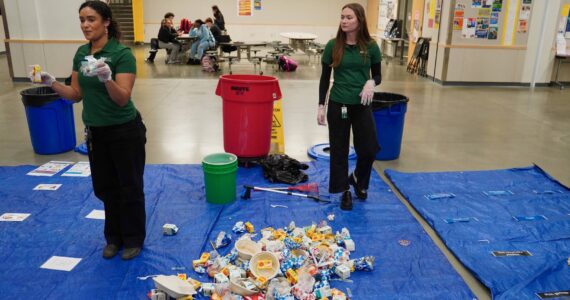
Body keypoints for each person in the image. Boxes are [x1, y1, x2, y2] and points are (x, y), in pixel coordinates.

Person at [34, 1, 147, 260]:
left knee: (129, 187)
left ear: (106, 22)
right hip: (97, 133)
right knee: (106, 188)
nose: (85, 25)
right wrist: (51, 83)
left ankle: (133, 238)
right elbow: (75, 95)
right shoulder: (81, 53)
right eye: (82, 19)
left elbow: (122, 98)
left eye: (91, 19)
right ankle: (113, 237)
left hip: (124, 132)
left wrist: (107, 79)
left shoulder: (122, 55)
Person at [317, 3, 382, 211]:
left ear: (359, 20)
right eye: (342, 17)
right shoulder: (332, 45)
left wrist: (372, 82)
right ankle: (344, 191)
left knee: (369, 148)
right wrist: (321, 105)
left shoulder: (371, 46)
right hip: (338, 105)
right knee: (339, 150)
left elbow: (378, 74)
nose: (344, 21)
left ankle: (358, 179)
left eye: (349, 17)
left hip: (362, 104)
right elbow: (325, 78)